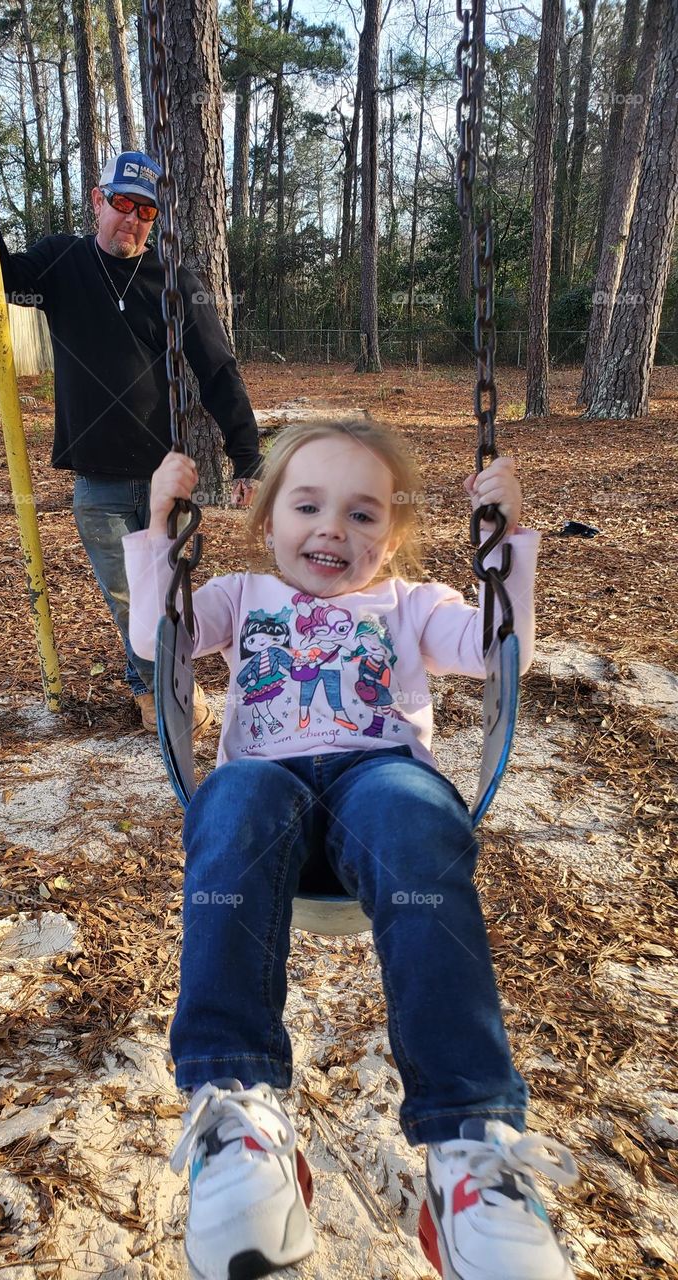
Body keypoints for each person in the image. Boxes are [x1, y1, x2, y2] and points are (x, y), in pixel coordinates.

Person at [123, 419, 580, 1280]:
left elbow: (495, 650)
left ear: (395, 537)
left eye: (364, 515)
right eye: (308, 505)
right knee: (231, 796)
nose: (333, 528)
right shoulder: (238, 594)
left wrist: (508, 540)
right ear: (268, 523)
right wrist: (160, 525)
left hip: (380, 795)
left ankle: (471, 1149)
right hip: (268, 806)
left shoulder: (412, 606)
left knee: (418, 813)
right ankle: (238, 1116)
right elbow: (159, 645)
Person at [0, 128, 262, 734]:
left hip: (163, 482)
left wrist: (246, 454)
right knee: (127, 598)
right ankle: (157, 693)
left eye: (146, 211)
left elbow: (218, 370)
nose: (133, 221)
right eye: (123, 204)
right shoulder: (64, 262)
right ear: (98, 199)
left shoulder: (175, 283)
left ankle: (155, 686)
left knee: (167, 596)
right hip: (96, 480)